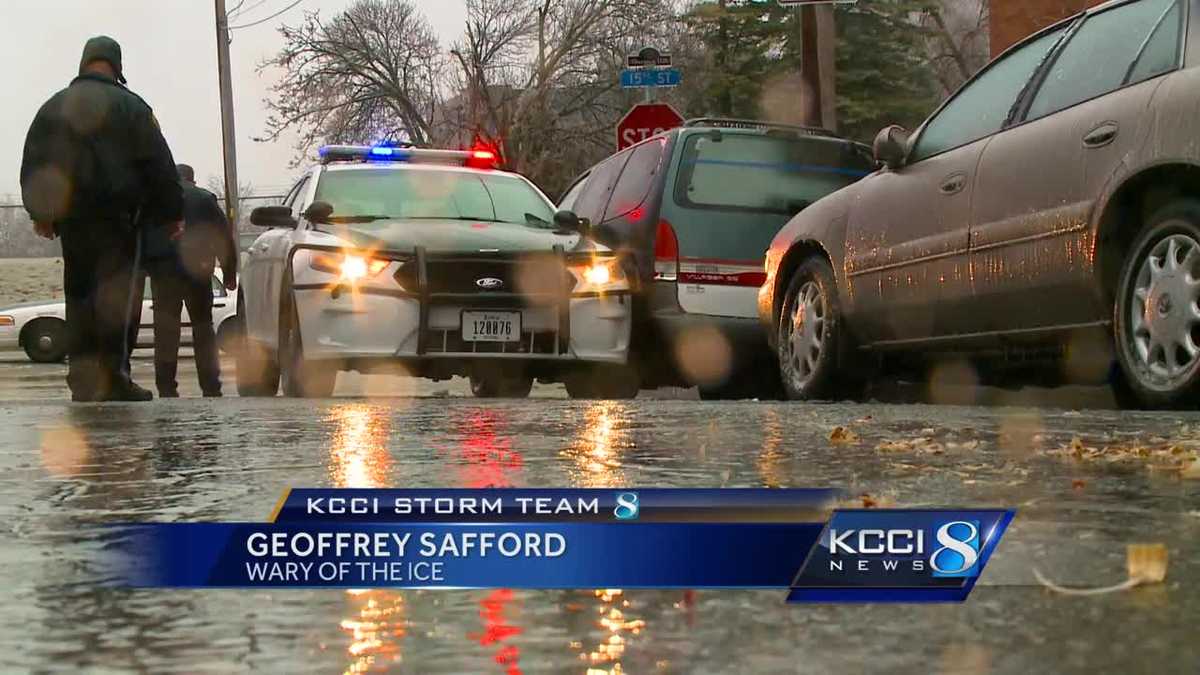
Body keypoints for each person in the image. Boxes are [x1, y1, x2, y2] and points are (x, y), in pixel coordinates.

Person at [20, 36, 183, 402]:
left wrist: (41, 213)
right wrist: (172, 214)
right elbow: (159, 164)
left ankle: (82, 377)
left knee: (79, 296)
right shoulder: (133, 108)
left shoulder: (52, 108)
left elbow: (35, 161)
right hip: (121, 222)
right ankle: (113, 376)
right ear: (117, 66)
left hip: (74, 223)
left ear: (84, 63)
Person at [143, 164, 238, 397]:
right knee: (203, 327)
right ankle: (210, 385)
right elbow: (223, 237)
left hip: (163, 271)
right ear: (192, 180)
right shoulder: (205, 199)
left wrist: (145, 266)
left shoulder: (155, 200)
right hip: (198, 270)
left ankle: (166, 387)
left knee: (166, 330)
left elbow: (144, 234)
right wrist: (228, 272)